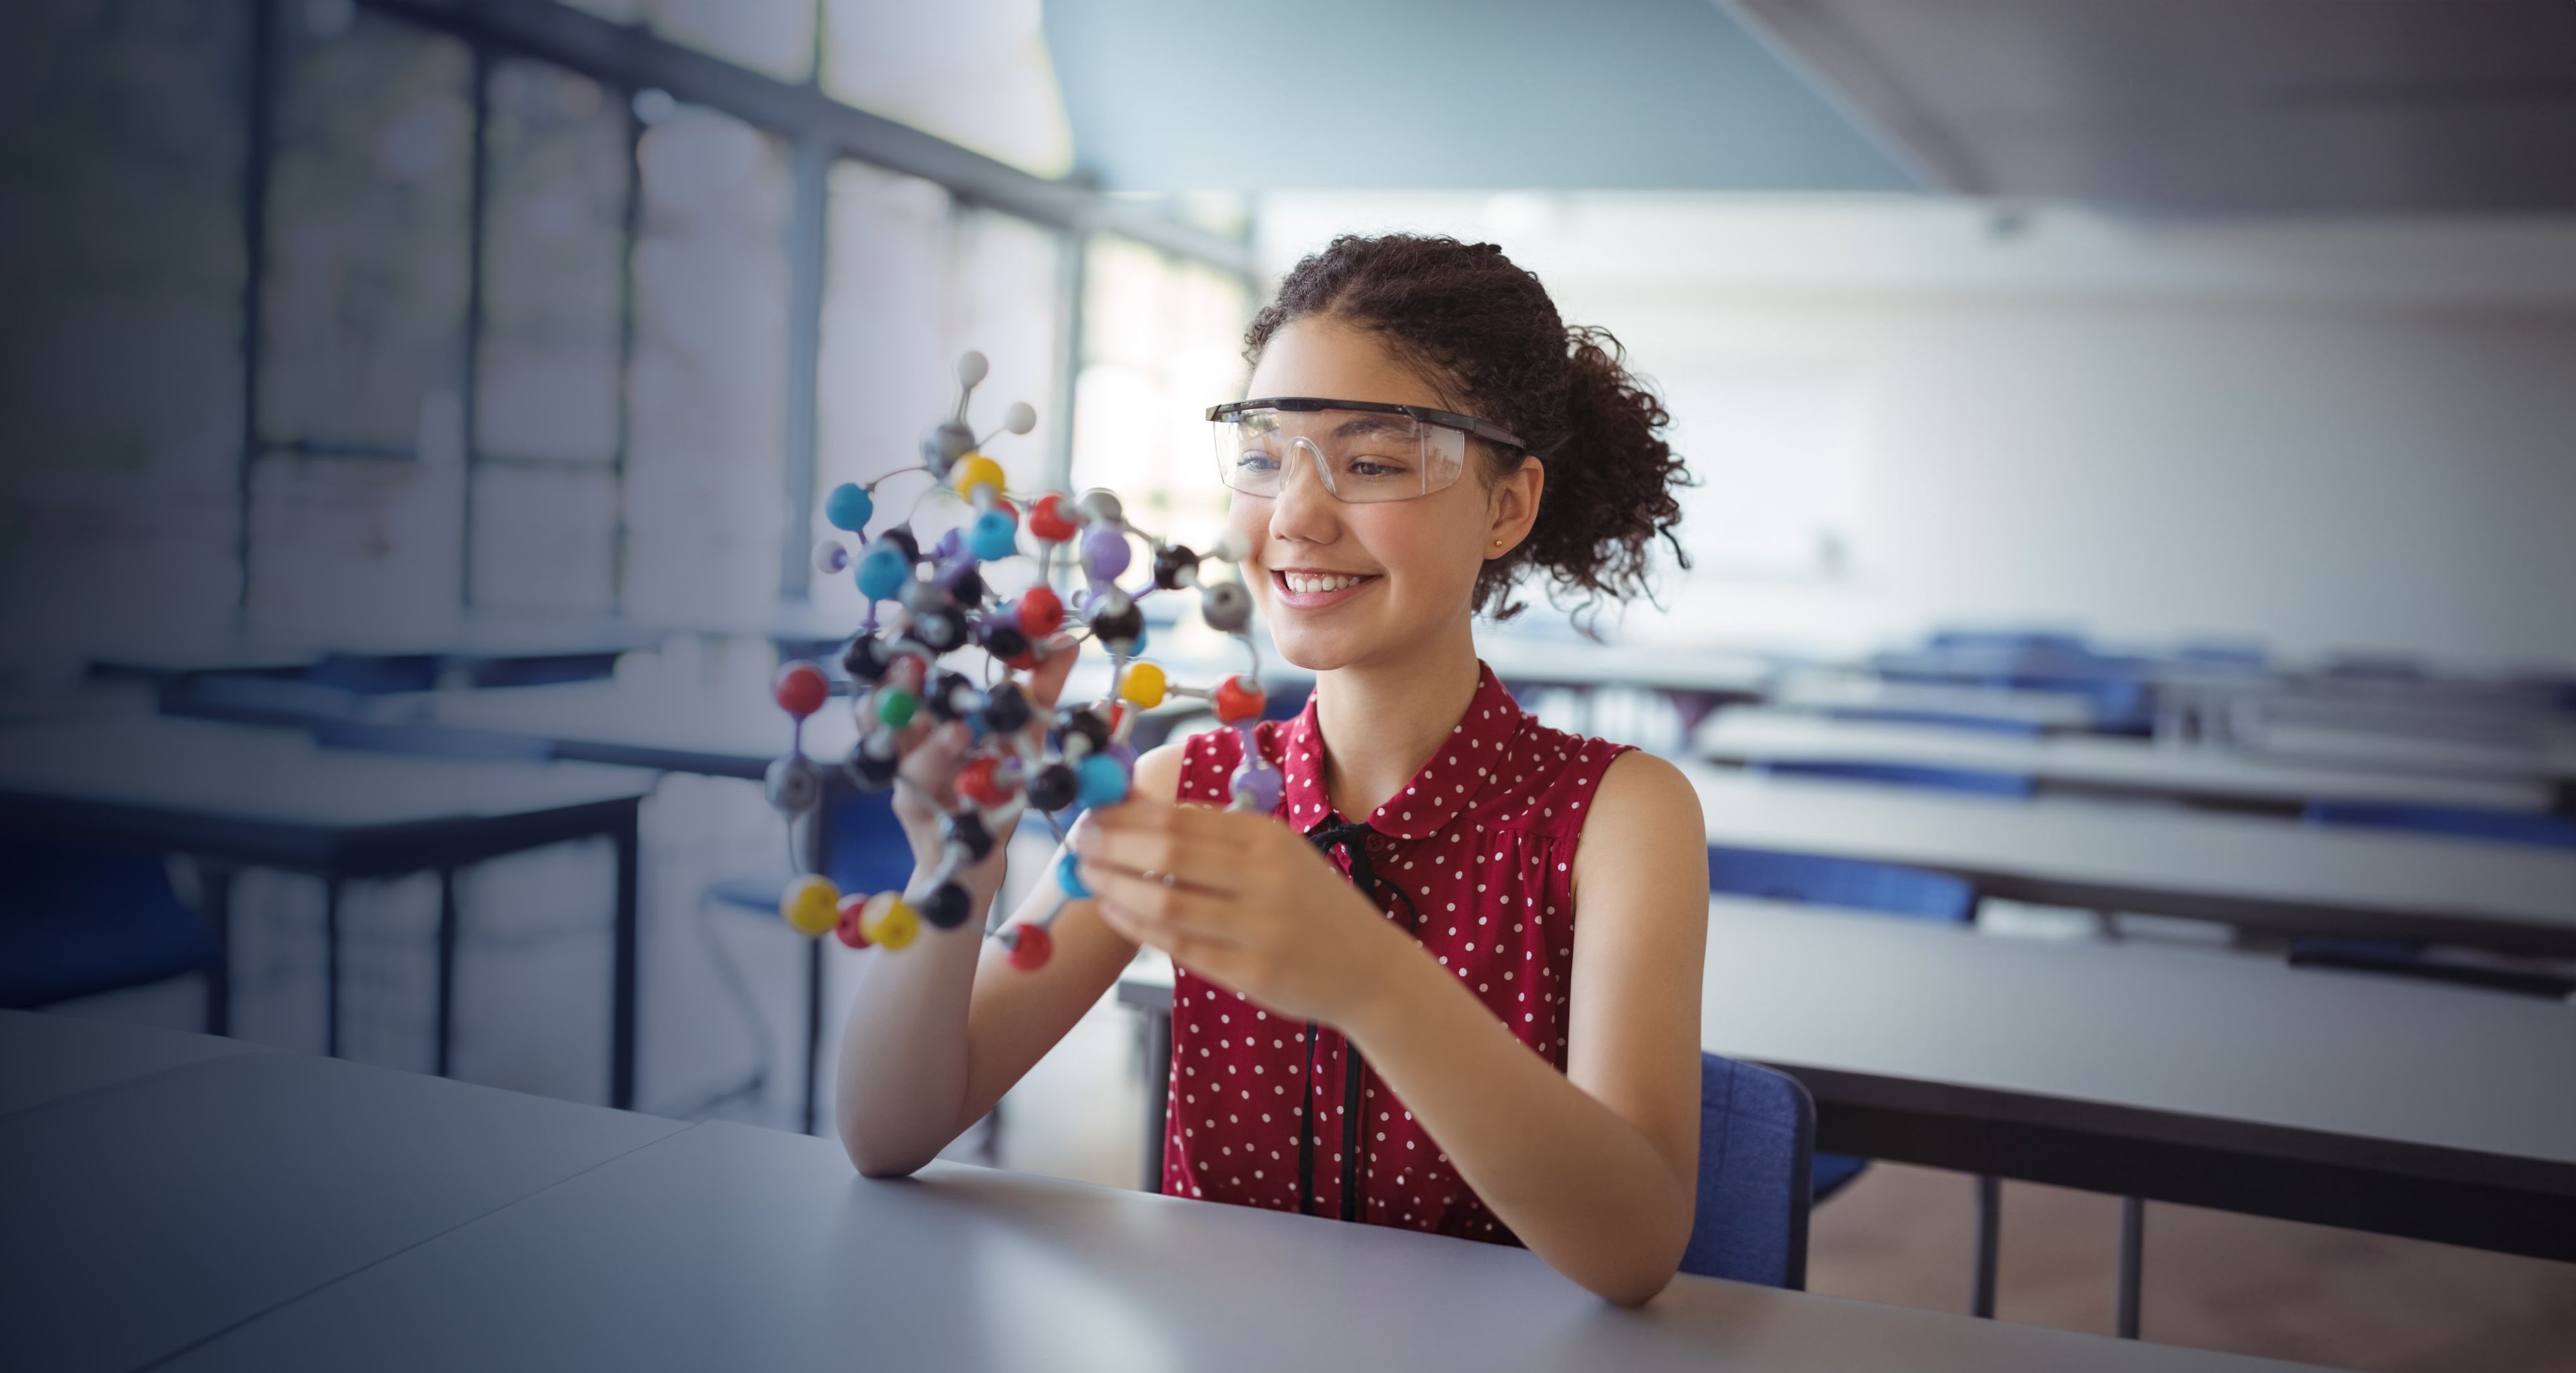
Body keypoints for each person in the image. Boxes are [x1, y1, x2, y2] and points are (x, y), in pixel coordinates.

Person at [836, 232, 1708, 1307]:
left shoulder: (1618, 816)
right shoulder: (1182, 791)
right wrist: (956, 860)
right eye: (1263, 455)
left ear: (1507, 506)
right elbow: (887, 1127)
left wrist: (1369, 977)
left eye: (1373, 462)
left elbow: (1636, 1244)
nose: (1294, 514)